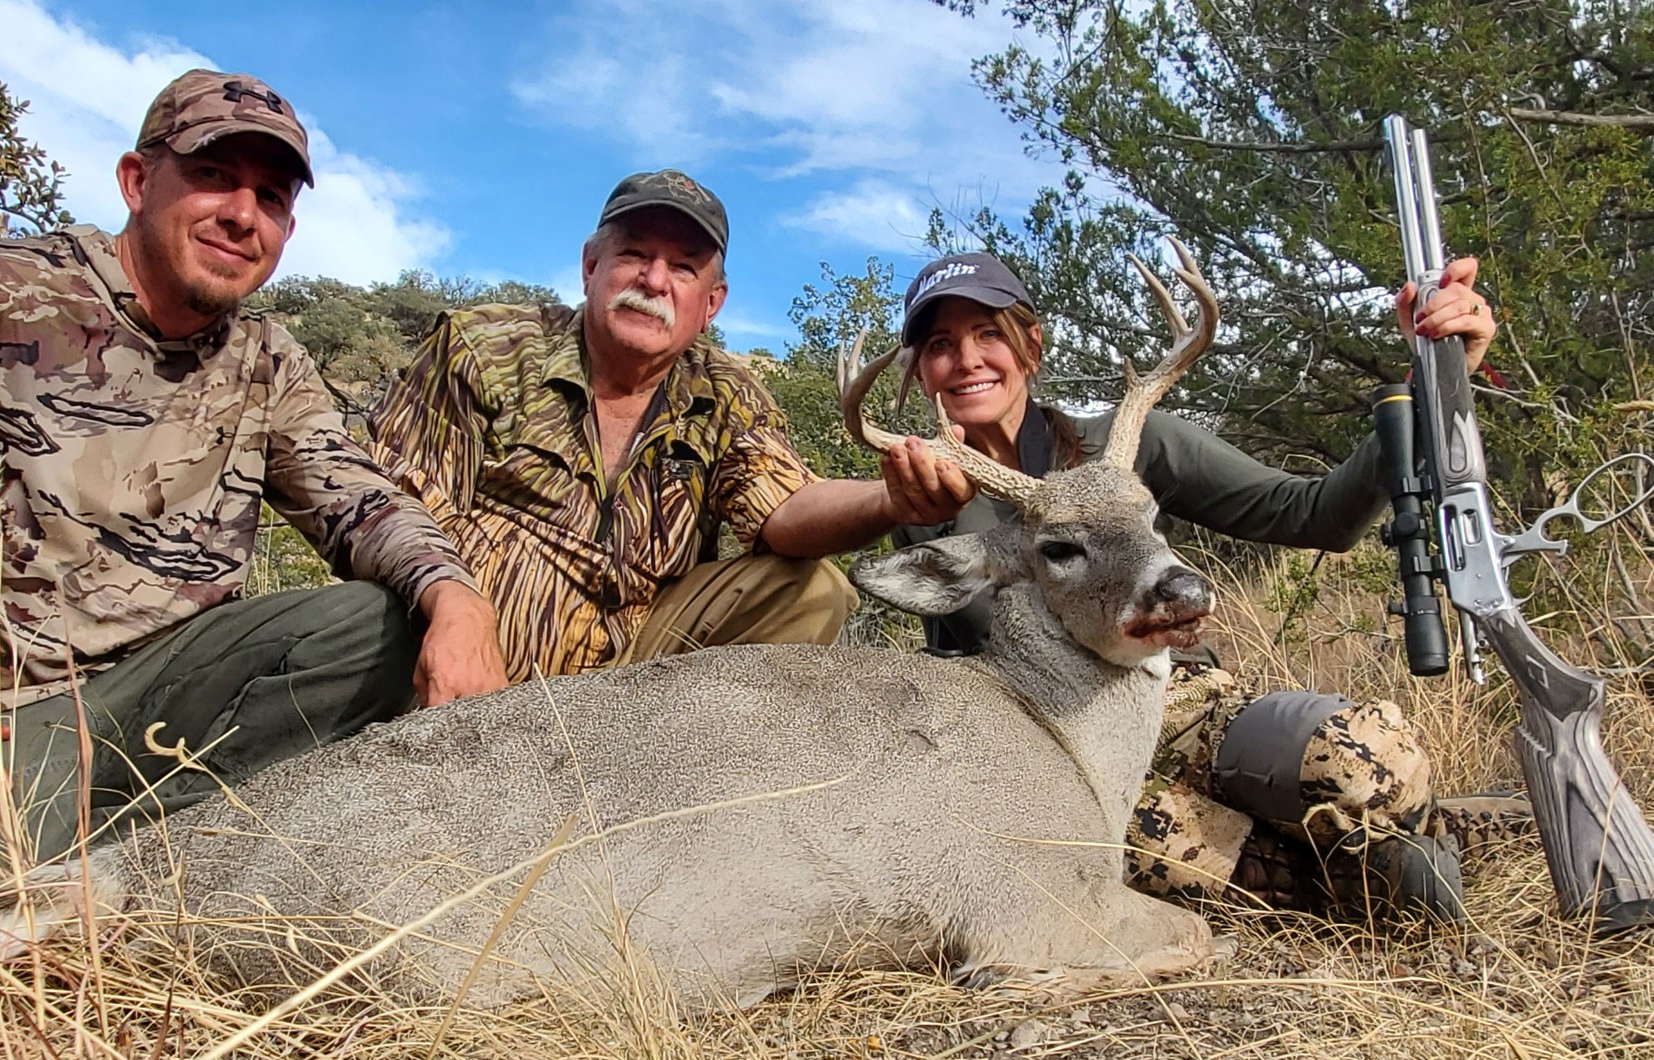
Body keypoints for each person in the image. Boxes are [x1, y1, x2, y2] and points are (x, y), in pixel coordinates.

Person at [0, 69, 507, 917]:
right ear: (137, 180)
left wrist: (460, 602)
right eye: (212, 176)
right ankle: (120, 871)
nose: (243, 214)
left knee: (374, 623)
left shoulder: (267, 362)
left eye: (271, 197)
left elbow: (359, 499)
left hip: (158, 708)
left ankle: (147, 867)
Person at [889, 250, 1530, 920]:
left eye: (988, 333)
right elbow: (996, 638)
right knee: (1129, 850)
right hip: (1056, 743)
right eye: (940, 344)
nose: (966, 359)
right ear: (920, 371)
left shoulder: (1126, 441)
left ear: (1030, 347)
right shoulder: (922, 503)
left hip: (1187, 704)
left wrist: (1429, 383)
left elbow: (1311, 515)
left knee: (1364, 759)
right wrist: (930, 513)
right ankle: (1365, 881)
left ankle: (1444, 829)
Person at [366, 170, 972, 683]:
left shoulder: (726, 394)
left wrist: (889, 499)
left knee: (814, 591)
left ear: (712, 304)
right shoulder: (484, 348)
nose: (654, 281)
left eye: (684, 268)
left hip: (631, 679)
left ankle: (675, 787)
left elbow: (786, 507)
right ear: (590, 265)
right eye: (634, 254)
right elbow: (387, 505)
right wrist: (454, 609)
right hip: (460, 652)